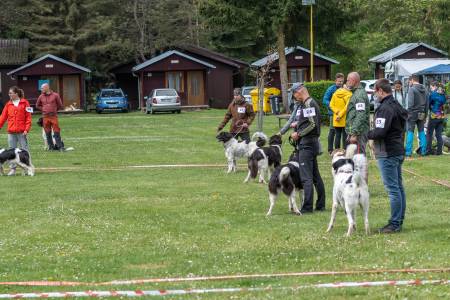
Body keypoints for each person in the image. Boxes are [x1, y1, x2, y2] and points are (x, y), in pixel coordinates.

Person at [368, 79, 408, 233]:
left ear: (380, 90)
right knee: (398, 188)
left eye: (374, 92)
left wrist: (365, 134)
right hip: (397, 149)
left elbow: (380, 132)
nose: (374, 96)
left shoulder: (385, 108)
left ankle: (395, 223)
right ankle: (398, 220)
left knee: (393, 189)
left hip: (388, 152)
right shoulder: (396, 104)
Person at [290, 83, 325, 213]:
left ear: (299, 91)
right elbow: (309, 122)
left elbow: (312, 124)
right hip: (312, 143)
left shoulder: (308, 104)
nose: (294, 97)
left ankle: (307, 207)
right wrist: (298, 123)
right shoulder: (310, 103)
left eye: (294, 94)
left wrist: (298, 134)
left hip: (307, 144)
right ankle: (320, 205)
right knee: (316, 176)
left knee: (306, 177)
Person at [0, 86, 32, 175]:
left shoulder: (25, 103)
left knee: (24, 150)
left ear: (16, 94)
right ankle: (12, 169)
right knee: (10, 152)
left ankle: (27, 169)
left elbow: (28, 118)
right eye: (9, 93)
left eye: (10, 93)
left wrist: (26, 129)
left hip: (22, 132)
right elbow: (2, 117)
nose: (9, 95)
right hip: (11, 132)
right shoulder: (8, 104)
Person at [345, 72, 370, 154]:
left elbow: (360, 115)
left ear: (354, 80)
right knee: (355, 159)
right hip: (356, 131)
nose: (346, 82)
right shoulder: (356, 93)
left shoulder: (359, 95)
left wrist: (354, 133)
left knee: (358, 159)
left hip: (359, 133)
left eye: (348, 80)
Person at [36, 83, 64, 151]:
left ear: (47, 87)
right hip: (45, 117)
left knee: (56, 132)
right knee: (47, 132)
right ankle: (51, 147)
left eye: (42, 88)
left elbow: (60, 105)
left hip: (53, 116)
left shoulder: (55, 95)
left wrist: (54, 110)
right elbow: (37, 105)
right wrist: (44, 109)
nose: (41, 89)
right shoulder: (41, 96)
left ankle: (60, 147)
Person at [405, 74, 427, 157]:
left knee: (410, 132)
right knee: (421, 131)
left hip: (413, 113)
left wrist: (408, 114)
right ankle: (423, 151)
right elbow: (427, 103)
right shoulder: (425, 89)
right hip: (422, 112)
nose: (408, 83)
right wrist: (425, 114)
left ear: (412, 80)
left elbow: (410, 104)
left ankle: (408, 152)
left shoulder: (412, 89)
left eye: (409, 81)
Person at [322, 73, 345, 154]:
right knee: (333, 131)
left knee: (343, 132)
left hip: (343, 114)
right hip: (333, 114)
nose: (340, 83)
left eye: (342, 81)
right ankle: (330, 149)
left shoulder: (345, 89)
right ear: (335, 81)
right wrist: (333, 107)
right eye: (339, 81)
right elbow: (325, 100)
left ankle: (343, 149)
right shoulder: (331, 89)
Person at [426, 82, 447, 155]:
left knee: (429, 133)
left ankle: (428, 150)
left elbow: (428, 104)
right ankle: (439, 151)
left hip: (434, 116)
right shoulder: (444, 96)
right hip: (441, 116)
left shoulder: (433, 94)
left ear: (438, 88)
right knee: (438, 135)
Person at [330, 85, 352, 149]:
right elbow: (346, 107)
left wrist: (337, 112)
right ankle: (345, 150)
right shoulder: (349, 94)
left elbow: (331, 105)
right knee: (345, 135)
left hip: (336, 118)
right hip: (345, 118)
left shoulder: (335, 94)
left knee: (337, 135)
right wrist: (340, 115)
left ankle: (337, 150)